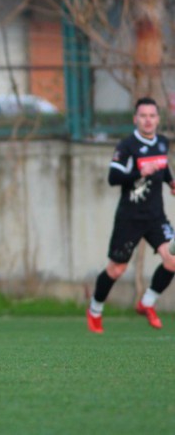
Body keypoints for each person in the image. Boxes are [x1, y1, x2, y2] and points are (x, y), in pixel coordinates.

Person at [87, 97, 175, 334]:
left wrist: (171, 181)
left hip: (156, 216)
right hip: (130, 218)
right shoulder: (126, 146)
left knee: (173, 259)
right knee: (117, 269)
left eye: (152, 116)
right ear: (135, 119)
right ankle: (95, 310)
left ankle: (146, 303)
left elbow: (163, 166)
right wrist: (139, 172)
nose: (148, 120)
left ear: (158, 119)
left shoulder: (162, 143)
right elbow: (113, 178)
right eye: (143, 116)